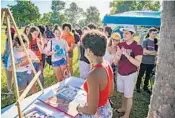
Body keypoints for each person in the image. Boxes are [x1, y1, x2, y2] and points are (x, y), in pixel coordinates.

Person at [76, 30, 114, 118]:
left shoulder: (93, 75)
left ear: (89, 51)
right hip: (106, 109)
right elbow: (110, 92)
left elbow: (91, 110)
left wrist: (78, 108)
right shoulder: (107, 64)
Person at [114, 25, 143, 118]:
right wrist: (117, 56)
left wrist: (127, 55)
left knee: (128, 95)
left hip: (130, 74)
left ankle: (127, 115)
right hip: (120, 72)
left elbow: (138, 63)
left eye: (127, 33)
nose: (124, 34)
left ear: (132, 34)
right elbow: (115, 62)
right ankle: (123, 107)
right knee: (123, 93)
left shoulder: (137, 46)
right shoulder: (121, 44)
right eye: (124, 32)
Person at [136, 28, 158, 94]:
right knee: (141, 75)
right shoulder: (145, 41)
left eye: (155, 34)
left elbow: (158, 52)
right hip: (144, 61)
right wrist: (153, 52)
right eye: (153, 33)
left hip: (152, 62)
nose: (154, 35)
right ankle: (137, 87)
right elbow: (144, 51)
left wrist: (149, 52)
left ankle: (145, 87)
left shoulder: (156, 42)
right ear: (149, 33)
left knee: (148, 75)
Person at [2, 27, 15, 94]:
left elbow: (11, 50)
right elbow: (6, 49)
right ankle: (10, 90)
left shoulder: (14, 41)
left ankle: (12, 88)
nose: (5, 33)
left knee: (13, 75)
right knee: (8, 76)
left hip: (12, 59)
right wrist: (2, 56)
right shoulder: (7, 40)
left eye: (7, 32)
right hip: (6, 59)